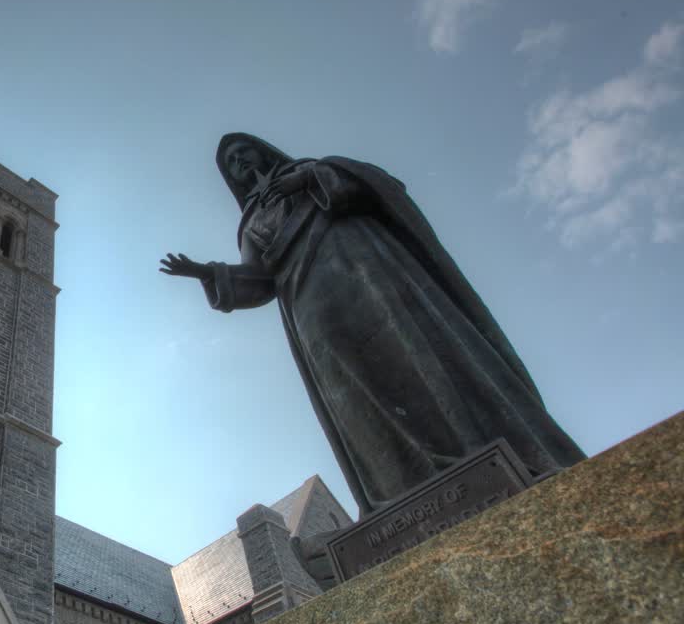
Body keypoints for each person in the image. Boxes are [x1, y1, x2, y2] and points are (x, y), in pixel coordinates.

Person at [161, 134, 585, 525]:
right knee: (351, 390)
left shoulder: (313, 170)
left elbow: (377, 187)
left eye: (242, 152)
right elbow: (259, 278)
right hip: (309, 304)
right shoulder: (252, 220)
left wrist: (309, 178)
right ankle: (399, 488)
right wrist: (205, 272)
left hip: (362, 271)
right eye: (230, 163)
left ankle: (475, 453)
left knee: (411, 355)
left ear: (262, 150)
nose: (238, 163)